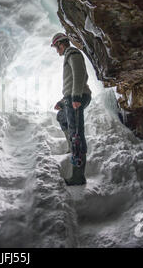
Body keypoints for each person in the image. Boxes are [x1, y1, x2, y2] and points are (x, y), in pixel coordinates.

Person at [51, 32, 92, 186]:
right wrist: (63, 102)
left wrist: (75, 97)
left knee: (77, 136)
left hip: (77, 97)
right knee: (61, 117)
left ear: (62, 44)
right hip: (71, 97)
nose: (57, 50)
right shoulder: (69, 55)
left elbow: (80, 74)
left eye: (57, 47)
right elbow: (71, 82)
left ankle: (78, 176)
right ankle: (71, 147)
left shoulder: (72, 53)